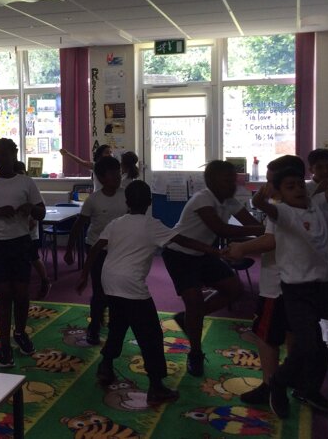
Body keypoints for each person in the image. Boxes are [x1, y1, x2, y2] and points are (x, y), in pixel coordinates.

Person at [77, 180, 225, 405]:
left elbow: (96, 248)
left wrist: (84, 275)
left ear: (126, 202)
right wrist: (215, 251)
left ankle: (105, 366)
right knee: (151, 335)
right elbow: (182, 240)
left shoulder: (116, 223)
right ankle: (156, 387)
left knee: (118, 324)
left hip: (110, 280)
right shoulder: (152, 224)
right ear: (149, 202)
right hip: (131, 284)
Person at [251, 149, 328, 419]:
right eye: (289, 186)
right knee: (301, 342)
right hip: (294, 288)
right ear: (279, 191)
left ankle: (306, 388)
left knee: (317, 343)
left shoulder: (314, 204)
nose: (297, 189)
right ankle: (276, 382)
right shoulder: (283, 211)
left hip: (317, 286)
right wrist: (261, 198)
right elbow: (265, 207)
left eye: (299, 185)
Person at [161, 160, 264, 376]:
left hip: (204, 254)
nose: (232, 184)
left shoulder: (230, 201)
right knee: (194, 301)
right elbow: (221, 229)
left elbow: (251, 224)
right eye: (227, 180)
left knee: (235, 290)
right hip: (179, 253)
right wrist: (263, 230)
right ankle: (195, 353)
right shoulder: (203, 198)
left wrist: (266, 229)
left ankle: (189, 318)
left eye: (233, 180)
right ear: (211, 181)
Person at [224, 155, 306, 405]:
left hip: (277, 284)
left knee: (266, 336)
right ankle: (295, 379)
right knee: (293, 332)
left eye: (271, 181)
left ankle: (270, 385)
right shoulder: (307, 205)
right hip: (300, 282)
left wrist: (241, 248)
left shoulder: (281, 210)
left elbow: (271, 240)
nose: (266, 186)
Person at [0, 138, 45, 368]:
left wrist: (30, 208)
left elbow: (41, 212)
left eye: (4, 154)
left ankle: (20, 332)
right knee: (3, 294)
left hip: (21, 241)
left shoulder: (26, 182)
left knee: (21, 293)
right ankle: (4, 344)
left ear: (14, 155)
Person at [64, 156, 127, 345]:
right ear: (100, 177)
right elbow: (79, 225)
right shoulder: (94, 200)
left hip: (120, 250)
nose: (117, 178)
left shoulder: (126, 195)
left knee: (117, 289)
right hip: (96, 249)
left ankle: (113, 322)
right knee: (99, 291)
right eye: (112, 174)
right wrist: (69, 249)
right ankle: (94, 327)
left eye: (119, 174)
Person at [14, 161, 51, 301]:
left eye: (22, 173)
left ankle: (45, 280)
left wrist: (34, 220)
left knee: (34, 257)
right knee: (19, 260)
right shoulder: (11, 187)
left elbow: (39, 208)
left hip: (30, 232)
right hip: (16, 231)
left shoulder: (30, 186)